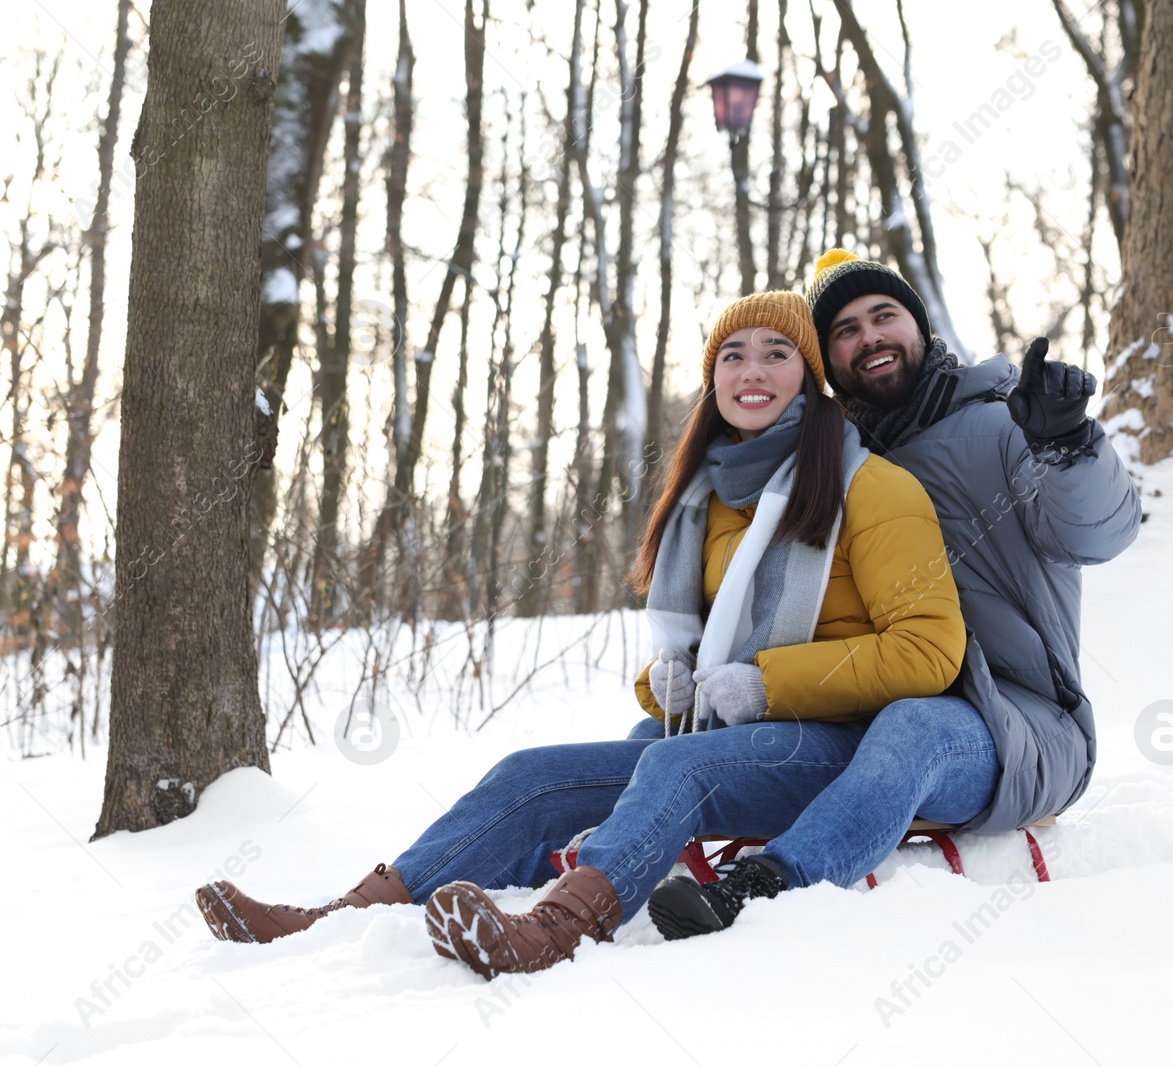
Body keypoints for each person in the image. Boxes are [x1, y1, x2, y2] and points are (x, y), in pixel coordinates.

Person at [196, 291, 969, 978]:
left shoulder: (871, 487)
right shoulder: (706, 500)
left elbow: (929, 650)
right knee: (531, 772)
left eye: (778, 353)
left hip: (838, 744)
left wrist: (770, 680)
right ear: (714, 380)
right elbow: (700, 653)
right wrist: (665, 679)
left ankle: (557, 928)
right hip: (731, 730)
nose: (753, 370)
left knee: (674, 764)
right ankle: (341, 914)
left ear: (808, 376)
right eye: (733, 355)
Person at [642, 248, 1142, 939]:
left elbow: (1098, 534)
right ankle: (591, 868)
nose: (869, 336)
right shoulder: (822, 468)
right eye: (844, 330)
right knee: (662, 738)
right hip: (863, 709)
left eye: (884, 315)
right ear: (826, 362)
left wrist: (1067, 444)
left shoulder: (1002, 425)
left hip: (1019, 722)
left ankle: (768, 883)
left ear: (921, 327)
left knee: (916, 726)